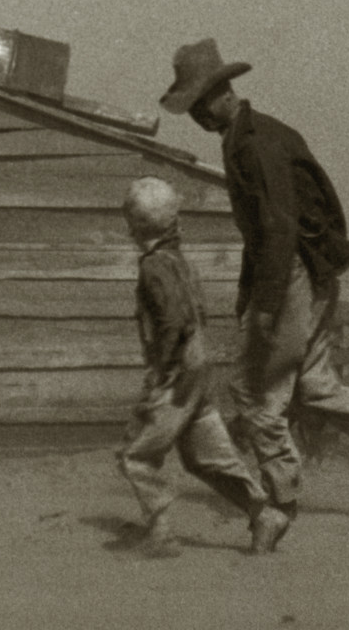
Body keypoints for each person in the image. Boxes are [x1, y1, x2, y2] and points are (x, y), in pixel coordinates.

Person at [158, 39, 349, 553]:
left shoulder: (254, 143)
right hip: (300, 273)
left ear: (222, 92)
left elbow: (279, 227)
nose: (197, 115)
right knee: (316, 387)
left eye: (200, 103)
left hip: (293, 274)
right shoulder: (247, 134)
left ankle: (280, 506)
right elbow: (265, 231)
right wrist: (253, 294)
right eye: (192, 107)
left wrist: (265, 306)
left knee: (258, 393)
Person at [113, 176, 270, 557]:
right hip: (200, 369)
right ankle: (263, 514)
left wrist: (161, 375)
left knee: (136, 454)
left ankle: (161, 532)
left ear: (136, 225)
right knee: (206, 455)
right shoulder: (181, 261)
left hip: (179, 371)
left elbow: (172, 321)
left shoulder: (153, 267)